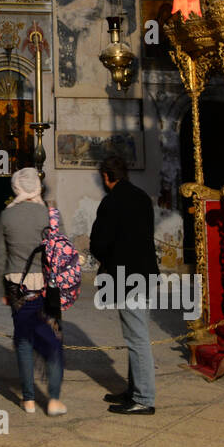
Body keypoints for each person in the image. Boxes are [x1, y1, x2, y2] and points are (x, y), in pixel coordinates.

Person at [89, 154, 159, 414]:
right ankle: (134, 389)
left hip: (125, 277)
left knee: (137, 337)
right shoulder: (142, 197)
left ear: (107, 177)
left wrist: (108, 258)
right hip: (145, 274)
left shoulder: (112, 202)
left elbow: (99, 242)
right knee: (135, 334)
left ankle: (143, 398)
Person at [0, 167, 66, 416]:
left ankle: (28, 399)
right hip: (48, 286)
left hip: (17, 286)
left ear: (16, 187)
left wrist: (4, 289)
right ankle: (54, 398)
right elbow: (60, 253)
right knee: (53, 338)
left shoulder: (7, 216)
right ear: (37, 185)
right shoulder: (49, 215)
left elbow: (1, 258)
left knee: (23, 340)